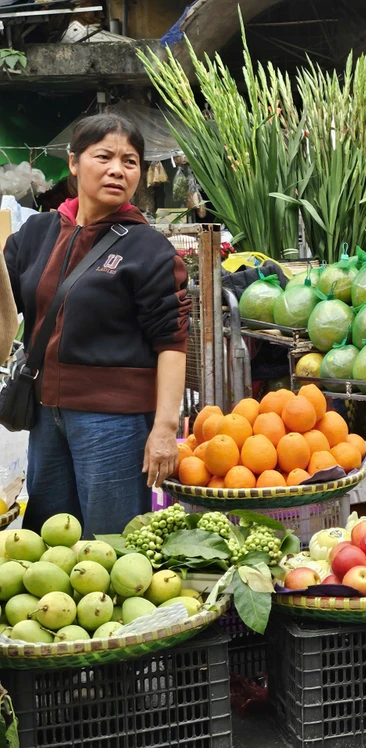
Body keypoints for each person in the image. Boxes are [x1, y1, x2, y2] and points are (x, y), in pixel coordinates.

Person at [3, 114, 190, 536]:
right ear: (73, 163)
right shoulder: (37, 233)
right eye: (103, 156)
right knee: (51, 540)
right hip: (45, 415)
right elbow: (6, 300)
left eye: (129, 161)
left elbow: (172, 343)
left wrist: (164, 429)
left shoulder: (148, 248)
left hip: (113, 422)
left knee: (113, 542)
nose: (117, 170)